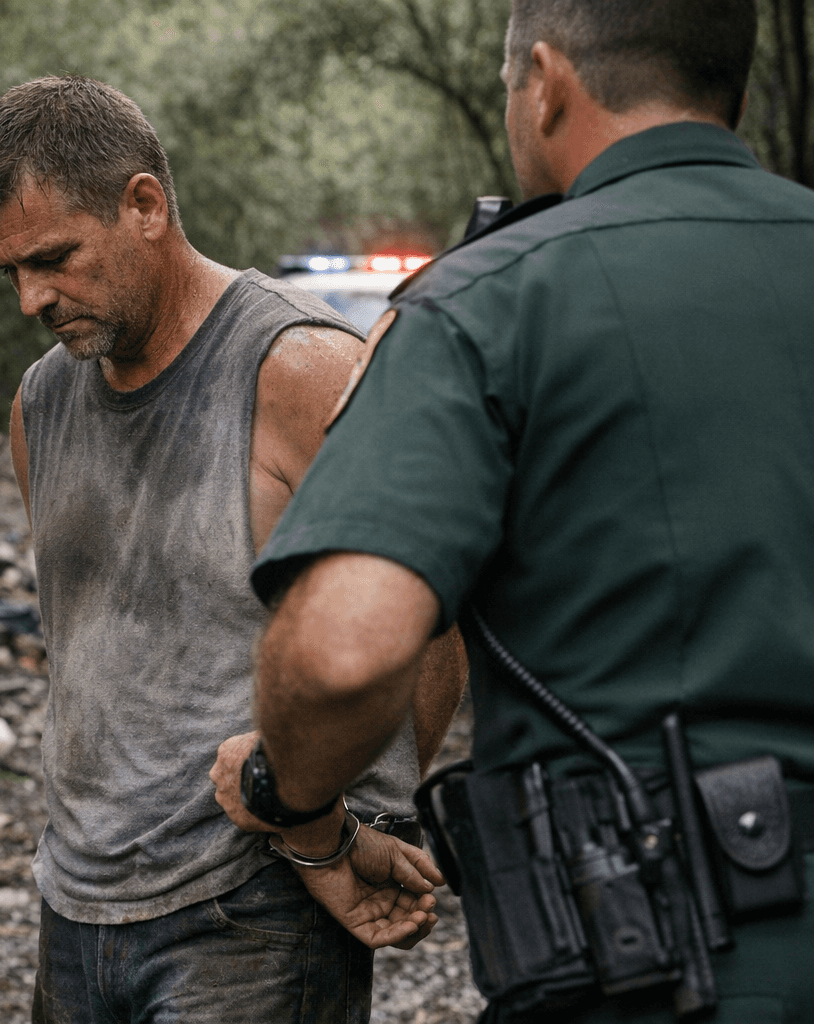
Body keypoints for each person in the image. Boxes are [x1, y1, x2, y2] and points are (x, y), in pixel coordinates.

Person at [244, 1, 814, 1020]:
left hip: (653, 962)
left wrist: (283, 790)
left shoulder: (486, 304)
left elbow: (341, 656)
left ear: (545, 82)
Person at [0, 76, 466, 1024]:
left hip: (251, 915)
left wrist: (343, 833)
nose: (30, 299)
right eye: (9, 271)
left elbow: (430, 632)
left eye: (52, 259)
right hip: (77, 900)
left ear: (145, 206)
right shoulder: (41, 404)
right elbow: (85, 649)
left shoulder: (300, 372)